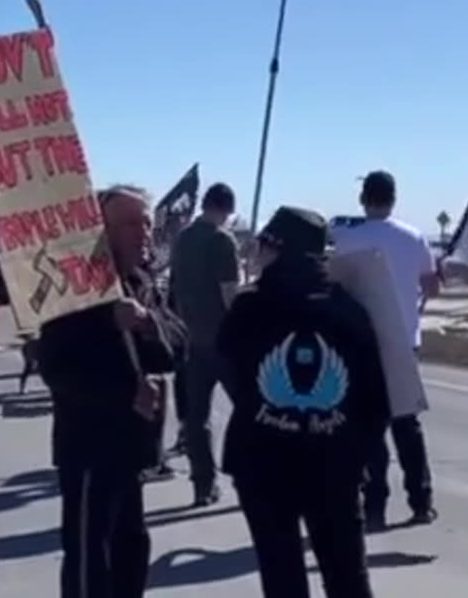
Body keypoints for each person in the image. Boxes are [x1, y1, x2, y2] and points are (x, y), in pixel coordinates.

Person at [217, 206, 389, 598]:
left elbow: (229, 367)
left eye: (262, 243)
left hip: (262, 461)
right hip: (334, 462)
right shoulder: (349, 309)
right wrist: (358, 452)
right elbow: (376, 395)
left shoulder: (249, 306)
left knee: (281, 576)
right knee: (347, 574)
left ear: (276, 247)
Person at [38, 185, 186, 598]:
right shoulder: (74, 291)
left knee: (130, 552)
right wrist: (125, 392)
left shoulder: (143, 284)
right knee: (91, 558)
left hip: (134, 448)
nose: (142, 233)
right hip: (90, 447)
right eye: (129, 224)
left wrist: (145, 324)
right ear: (101, 230)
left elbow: (178, 345)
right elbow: (59, 369)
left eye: (146, 224)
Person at [332, 170, 441, 529]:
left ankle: (374, 505)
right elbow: (432, 287)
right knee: (407, 425)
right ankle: (421, 501)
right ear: (394, 199)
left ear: (364, 199)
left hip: (364, 343)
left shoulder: (348, 238)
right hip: (404, 343)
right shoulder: (414, 238)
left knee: (368, 429)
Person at [168, 182, 241, 507]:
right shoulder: (222, 240)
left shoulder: (182, 238)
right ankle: (247, 475)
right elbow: (229, 293)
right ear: (225, 209)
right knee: (250, 410)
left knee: (197, 417)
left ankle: (203, 484)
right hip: (224, 339)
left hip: (191, 337)